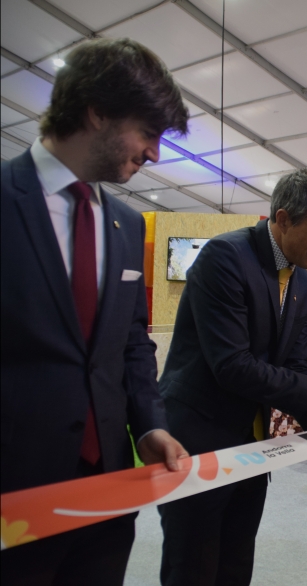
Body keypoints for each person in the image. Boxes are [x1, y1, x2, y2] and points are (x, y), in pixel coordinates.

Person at [0, 38, 190, 585]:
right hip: (17, 494)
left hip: (107, 488)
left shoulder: (126, 225)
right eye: (149, 133)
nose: (155, 154)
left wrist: (148, 426)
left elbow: (131, 342)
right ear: (97, 111)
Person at [157, 168, 307, 586]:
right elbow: (232, 365)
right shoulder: (224, 257)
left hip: (252, 451)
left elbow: (294, 363)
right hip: (197, 441)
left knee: (236, 567)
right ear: (284, 218)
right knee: (193, 568)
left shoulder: (304, 283)